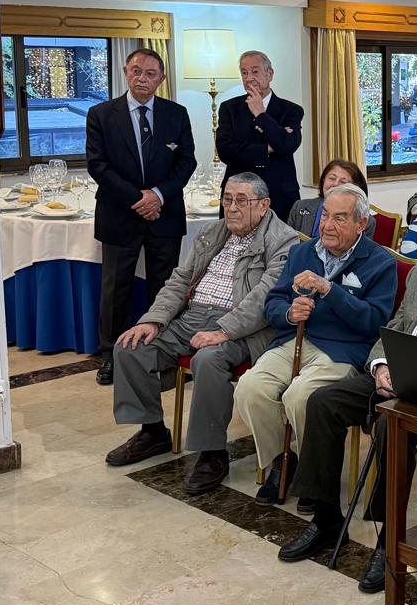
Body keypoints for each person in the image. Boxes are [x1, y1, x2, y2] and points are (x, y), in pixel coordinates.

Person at [276, 199, 417, 593]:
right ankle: (326, 519)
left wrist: (415, 371)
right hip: (397, 375)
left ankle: (390, 539)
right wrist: (382, 365)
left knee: (390, 426)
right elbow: (396, 326)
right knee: (323, 402)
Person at [102, 173, 296, 493]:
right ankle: (153, 432)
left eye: (241, 201)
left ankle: (212, 451)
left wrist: (224, 331)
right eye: (227, 199)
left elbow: (264, 298)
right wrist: (153, 320)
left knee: (208, 360)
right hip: (193, 316)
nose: (232, 208)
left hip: (242, 327)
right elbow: (179, 281)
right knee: (130, 347)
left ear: (264, 205)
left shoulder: (283, 241)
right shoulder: (211, 232)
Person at [236, 184, 397, 503]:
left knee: (301, 396)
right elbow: (273, 303)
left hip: (342, 350)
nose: (327, 225)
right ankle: (284, 462)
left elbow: (374, 322)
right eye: (325, 215)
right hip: (294, 340)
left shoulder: (380, 262)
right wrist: (289, 312)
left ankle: (315, 476)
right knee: (250, 389)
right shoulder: (302, 252)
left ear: (361, 224)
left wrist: (330, 290)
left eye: (340, 218)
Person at [86, 47, 197, 386]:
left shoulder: (177, 114)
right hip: (119, 214)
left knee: (165, 288)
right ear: (125, 72)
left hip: (165, 213)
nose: (142, 78)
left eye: (150, 73)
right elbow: (98, 165)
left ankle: (161, 354)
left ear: (161, 78)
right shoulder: (101, 114)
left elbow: (187, 162)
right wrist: (139, 198)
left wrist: (158, 195)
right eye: (136, 71)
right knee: (115, 290)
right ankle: (111, 356)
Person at [216, 50, 305, 220]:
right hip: (238, 197)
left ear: (270, 74)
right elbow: (225, 151)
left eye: (255, 71)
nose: (249, 78)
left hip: (279, 195)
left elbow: (287, 145)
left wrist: (261, 115)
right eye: (244, 73)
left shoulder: (291, 110)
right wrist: (267, 148)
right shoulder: (229, 108)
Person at [287, 159, 369, 237]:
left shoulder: (363, 221)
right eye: (332, 178)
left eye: (343, 182)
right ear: (323, 180)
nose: (335, 184)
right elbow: (288, 242)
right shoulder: (300, 207)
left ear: (355, 188)